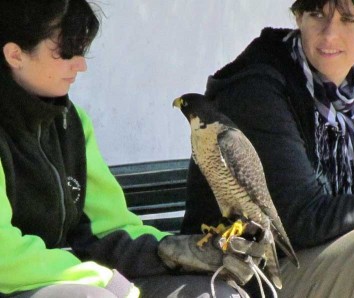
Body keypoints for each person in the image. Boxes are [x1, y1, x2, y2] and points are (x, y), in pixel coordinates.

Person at [0, 1, 264, 297]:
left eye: (82, 51)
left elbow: (108, 228)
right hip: (22, 283)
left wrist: (170, 252)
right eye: (66, 53)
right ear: (15, 55)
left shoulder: (70, 122)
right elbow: (4, 256)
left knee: (214, 294)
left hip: (82, 278)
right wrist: (103, 281)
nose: (81, 65)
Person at [181, 0, 354, 297]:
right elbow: (300, 220)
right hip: (249, 270)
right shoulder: (256, 88)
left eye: (348, 20)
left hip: (326, 259)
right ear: (298, 16)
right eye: (316, 15)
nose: (329, 35)